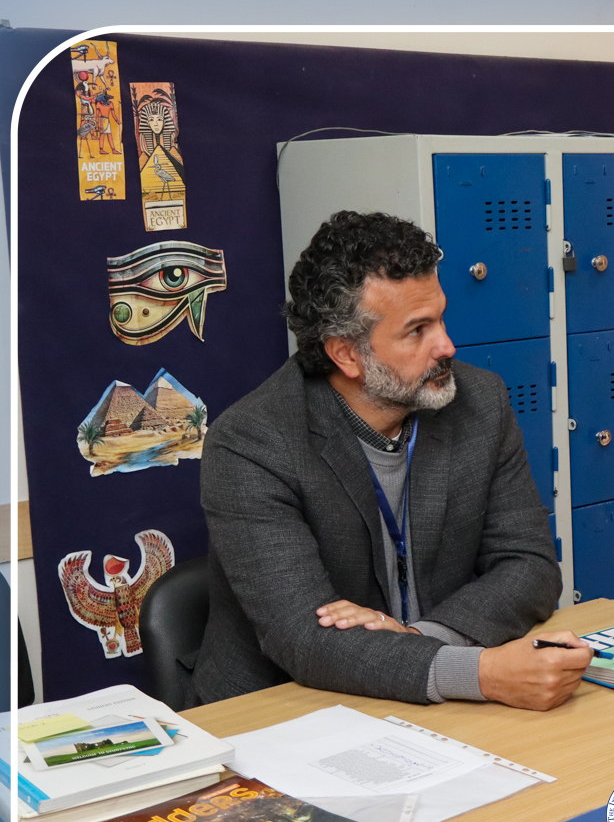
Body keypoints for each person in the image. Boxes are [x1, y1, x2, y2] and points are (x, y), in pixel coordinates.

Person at [192, 211, 592, 710]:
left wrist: (420, 638)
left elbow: (529, 566)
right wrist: (482, 674)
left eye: (440, 318)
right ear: (346, 355)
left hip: (430, 700)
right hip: (282, 711)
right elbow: (304, 638)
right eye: (417, 330)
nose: (447, 346)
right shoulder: (253, 443)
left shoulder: (479, 402)